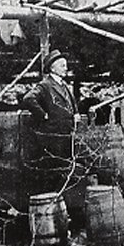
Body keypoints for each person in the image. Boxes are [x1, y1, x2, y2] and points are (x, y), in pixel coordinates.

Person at [23, 50, 79, 178]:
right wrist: (43, 115)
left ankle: (62, 196)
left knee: (66, 167)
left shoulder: (64, 85)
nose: (66, 69)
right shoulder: (45, 85)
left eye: (66, 65)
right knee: (54, 168)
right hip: (53, 136)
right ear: (52, 68)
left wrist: (75, 113)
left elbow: (71, 101)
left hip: (66, 133)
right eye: (62, 66)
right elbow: (28, 98)